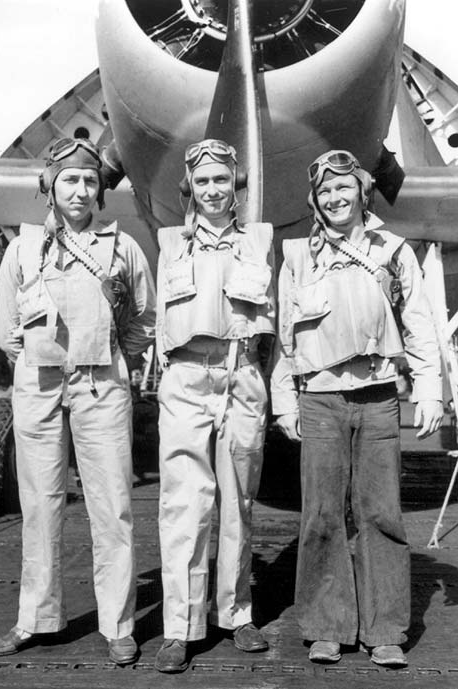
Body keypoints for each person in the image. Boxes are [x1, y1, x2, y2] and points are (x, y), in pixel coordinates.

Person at [0, 137, 156, 664]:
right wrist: (42, 365)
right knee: (39, 506)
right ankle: (35, 619)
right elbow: (5, 332)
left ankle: (119, 625)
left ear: (100, 189)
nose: (80, 190)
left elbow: (143, 322)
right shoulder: (23, 249)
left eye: (89, 180)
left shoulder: (121, 247)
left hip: (101, 386)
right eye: (69, 180)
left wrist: (108, 362)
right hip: (38, 387)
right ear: (49, 188)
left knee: (112, 508)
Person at [272, 150, 443, 668]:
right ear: (315, 200)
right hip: (319, 398)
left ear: (361, 193)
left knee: (381, 513)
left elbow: (418, 323)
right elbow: (284, 337)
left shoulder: (392, 251)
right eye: (325, 192)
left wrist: (430, 389)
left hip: (378, 398)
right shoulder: (298, 256)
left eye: (343, 188)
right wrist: (285, 399)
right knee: (321, 513)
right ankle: (327, 626)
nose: (334, 198)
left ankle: (385, 629)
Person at [154, 139, 276, 673]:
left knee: (238, 501)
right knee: (185, 504)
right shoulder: (169, 243)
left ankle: (237, 611)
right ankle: (180, 627)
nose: (212, 191)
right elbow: (158, 318)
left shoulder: (260, 240)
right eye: (202, 181)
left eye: (221, 180)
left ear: (235, 186)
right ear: (190, 187)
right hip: (185, 376)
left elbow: (273, 317)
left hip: (242, 372)